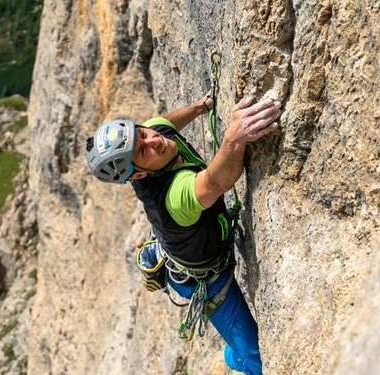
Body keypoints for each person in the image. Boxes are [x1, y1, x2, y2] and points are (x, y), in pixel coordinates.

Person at [85, 94, 281, 374]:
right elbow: (214, 182)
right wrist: (234, 138)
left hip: (195, 254)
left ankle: (234, 354)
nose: (153, 141)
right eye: (143, 151)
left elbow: (164, 123)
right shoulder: (173, 198)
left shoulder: (152, 135)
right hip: (208, 281)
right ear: (139, 175)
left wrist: (199, 108)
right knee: (258, 362)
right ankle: (234, 359)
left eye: (141, 133)